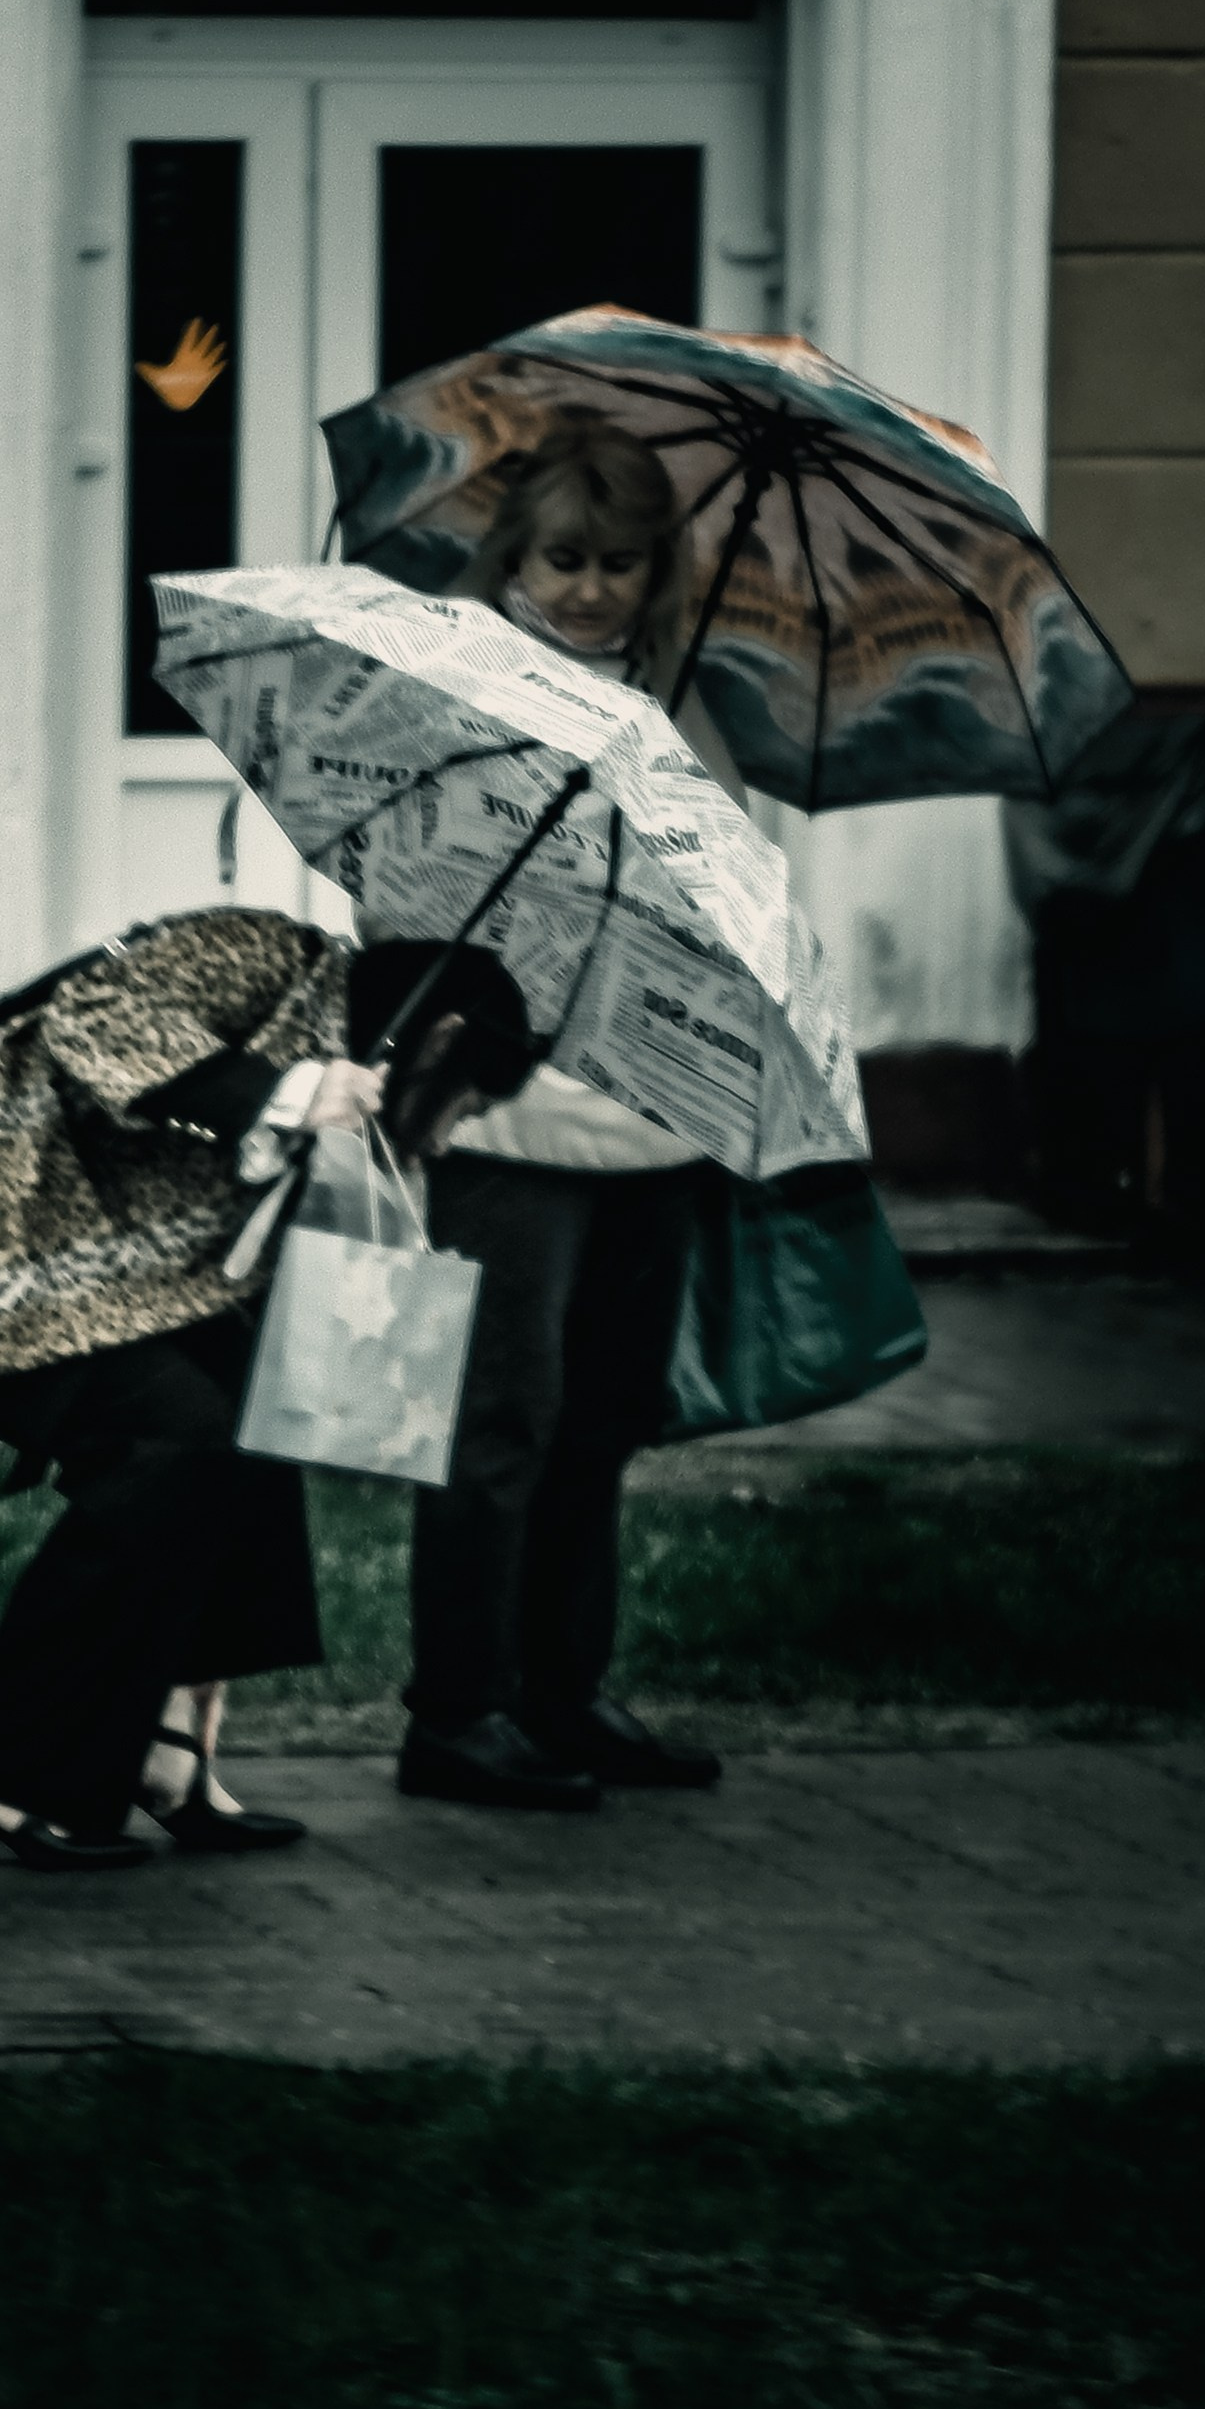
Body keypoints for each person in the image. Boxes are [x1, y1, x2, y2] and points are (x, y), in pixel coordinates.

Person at [0, 914, 533, 1870]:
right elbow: (93, 1016)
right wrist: (289, 1091)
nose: (447, 1137)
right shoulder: (261, 952)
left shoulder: (358, 1087)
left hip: (117, 1273)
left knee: (251, 1427)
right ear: (440, 1043)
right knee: (174, 1446)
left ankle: (172, 1751)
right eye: (465, 1106)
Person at [392, 421, 738, 1814]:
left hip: (652, 1107)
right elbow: (412, 888)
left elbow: (729, 888)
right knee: (500, 1418)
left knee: (601, 1417)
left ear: (660, 571)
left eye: (622, 564)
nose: (592, 590)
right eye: (565, 560)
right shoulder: (459, 691)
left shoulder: (683, 703)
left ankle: (562, 1691)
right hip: (508, 1112)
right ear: (514, 560)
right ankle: (456, 1711)